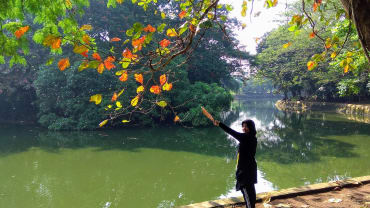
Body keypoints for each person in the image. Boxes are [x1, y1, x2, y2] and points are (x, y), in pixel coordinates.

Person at [213, 119, 257, 208]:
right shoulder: (253, 138)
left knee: (247, 195)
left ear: (251, 127)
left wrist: (220, 124)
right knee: (251, 194)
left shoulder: (246, 137)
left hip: (245, 172)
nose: (244, 128)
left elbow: (231, 132)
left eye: (246, 126)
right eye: (243, 126)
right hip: (250, 169)